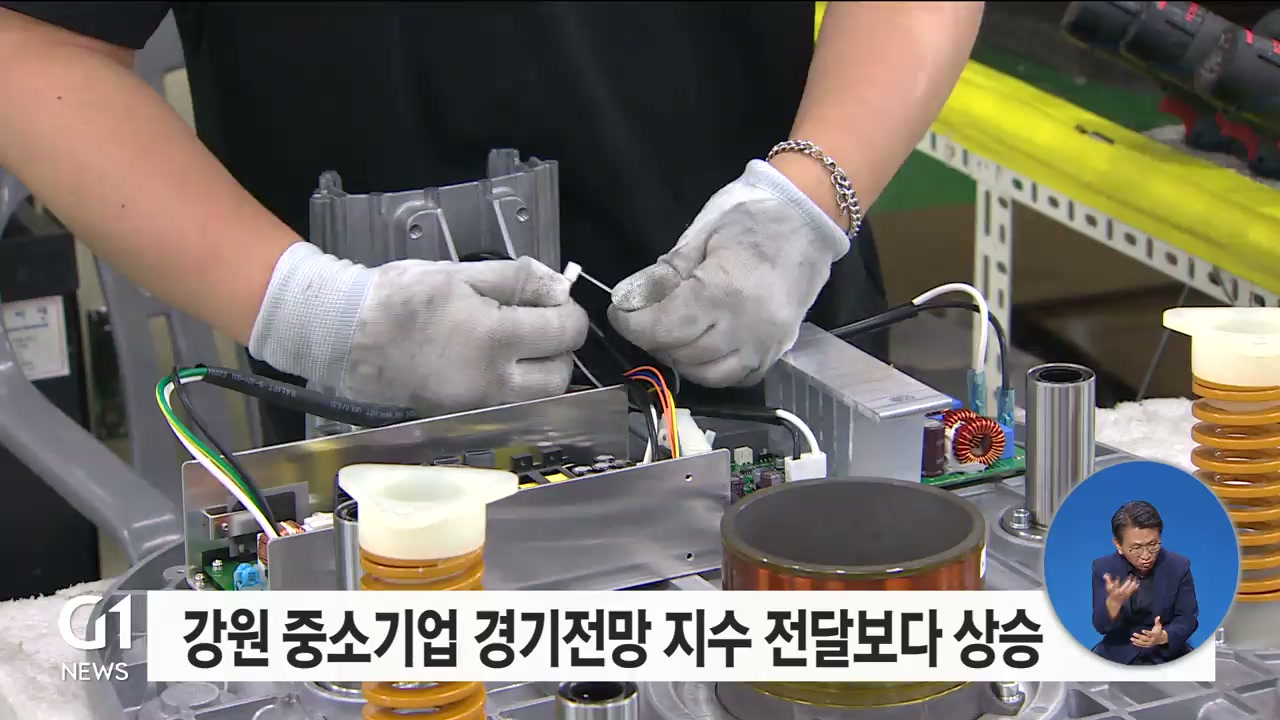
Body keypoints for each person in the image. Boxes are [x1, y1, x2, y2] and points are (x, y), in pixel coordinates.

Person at [0, 2, 984, 445]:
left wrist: (805, 204)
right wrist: (315, 313)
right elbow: (35, 45)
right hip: (393, 440)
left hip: (781, 370)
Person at [1091, 500, 1199, 665]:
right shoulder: (1104, 568)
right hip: (1118, 654)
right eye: (1136, 548)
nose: (1146, 555)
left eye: (1153, 545)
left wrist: (1164, 636)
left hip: (1166, 655)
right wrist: (1113, 603)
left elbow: (1187, 618)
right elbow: (1100, 626)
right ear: (1118, 545)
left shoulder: (1179, 566)